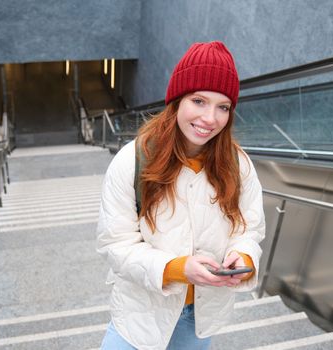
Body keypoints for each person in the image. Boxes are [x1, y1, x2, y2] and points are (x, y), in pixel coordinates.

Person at [96, 41, 265, 350]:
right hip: (139, 314)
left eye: (222, 107)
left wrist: (243, 258)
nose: (210, 118)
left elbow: (249, 229)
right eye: (199, 101)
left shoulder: (238, 164)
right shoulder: (131, 161)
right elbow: (115, 244)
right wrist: (176, 269)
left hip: (198, 317)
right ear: (176, 100)